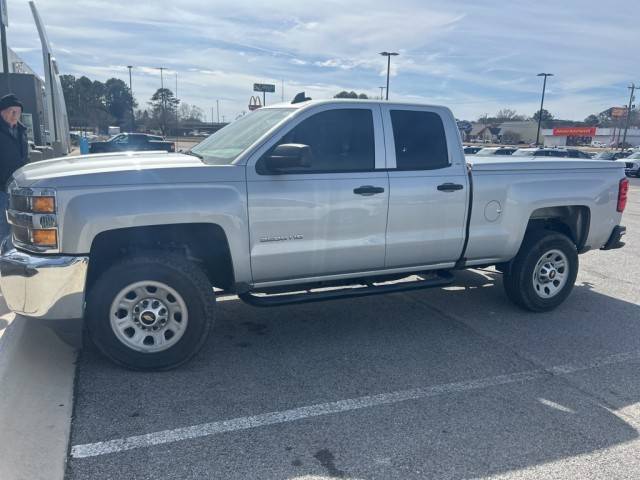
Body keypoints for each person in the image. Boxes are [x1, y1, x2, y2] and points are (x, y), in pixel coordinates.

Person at [0, 93, 29, 240]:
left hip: (19, 187)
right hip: (2, 188)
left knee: (20, 225)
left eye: (18, 112)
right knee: (3, 225)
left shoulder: (22, 131)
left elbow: (25, 157)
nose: (15, 115)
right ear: (2, 111)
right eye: (12, 111)